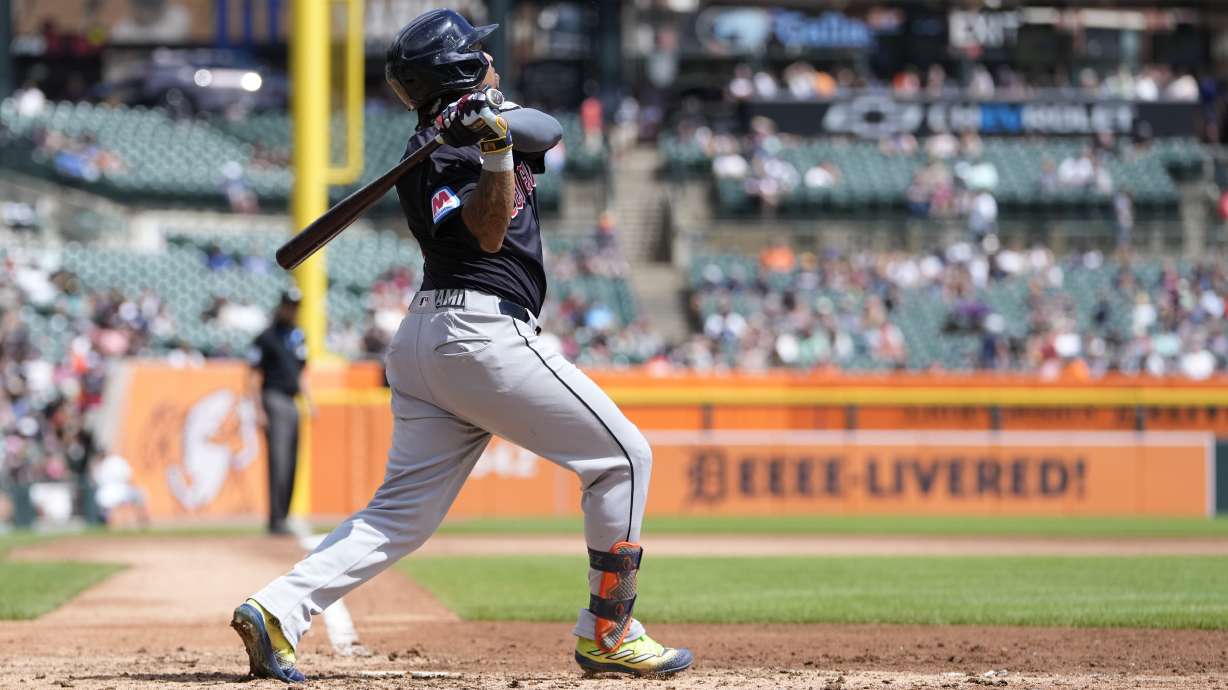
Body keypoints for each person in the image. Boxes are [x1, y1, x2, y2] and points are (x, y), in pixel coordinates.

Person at [230, 10, 692, 683]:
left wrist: (489, 122)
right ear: (461, 67)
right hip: (479, 333)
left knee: (399, 517)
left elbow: (549, 130)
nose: (492, 60)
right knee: (623, 458)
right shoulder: (436, 154)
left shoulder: (480, 125)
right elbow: (486, 231)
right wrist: (489, 148)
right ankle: (608, 631)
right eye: (480, 55)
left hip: (432, 342)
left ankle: (278, 610)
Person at [245, 289, 312, 536]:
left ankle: (284, 516)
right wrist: (258, 409)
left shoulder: (298, 336)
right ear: (281, 306)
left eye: (295, 306)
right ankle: (275, 520)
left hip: (293, 401)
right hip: (273, 399)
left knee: (293, 461)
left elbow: (302, 372)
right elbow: (253, 375)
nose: (292, 310)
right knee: (279, 461)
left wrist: (309, 401)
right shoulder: (267, 337)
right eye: (289, 305)